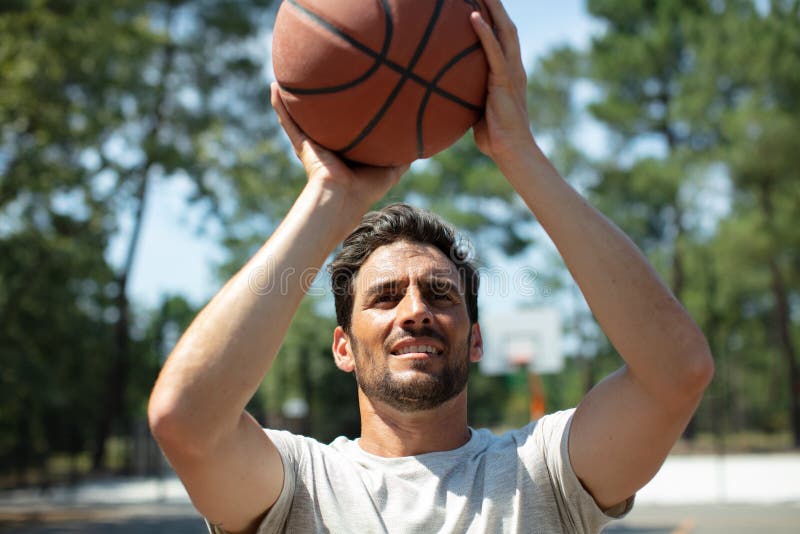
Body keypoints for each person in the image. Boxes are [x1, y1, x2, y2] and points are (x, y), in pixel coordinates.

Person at [147, 1, 714, 532]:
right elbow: (185, 421)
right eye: (386, 296)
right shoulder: (302, 484)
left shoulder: (541, 472)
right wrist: (328, 199)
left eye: (442, 295)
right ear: (342, 346)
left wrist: (519, 152)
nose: (417, 310)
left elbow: (677, 370)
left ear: (475, 342)